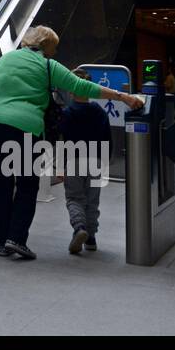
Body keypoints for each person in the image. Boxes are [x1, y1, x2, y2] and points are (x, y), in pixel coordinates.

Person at [0, 26, 143, 260]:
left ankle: (2, 242)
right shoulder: (47, 65)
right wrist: (123, 96)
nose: (55, 52)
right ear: (46, 45)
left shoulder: (7, 58)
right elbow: (81, 86)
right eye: (54, 47)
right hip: (21, 126)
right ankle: (16, 239)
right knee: (26, 183)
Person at [60, 67, 112, 254]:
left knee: (74, 198)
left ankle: (79, 227)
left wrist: (60, 165)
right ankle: (91, 238)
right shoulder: (99, 112)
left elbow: (63, 140)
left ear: (71, 90)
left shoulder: (67, 112)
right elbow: (107, 138)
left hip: (74, 160)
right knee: (92, 200)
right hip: (96, 160)